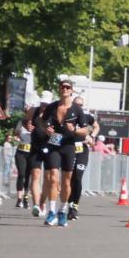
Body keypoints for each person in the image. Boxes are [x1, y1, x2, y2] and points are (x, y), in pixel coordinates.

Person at [36, 79, 86, 227]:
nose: (64, 89)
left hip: (68, 146)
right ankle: (51, 212)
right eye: (62, 87)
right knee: (52, 178)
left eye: (67, 87)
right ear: (59, 89)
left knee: (66, 181)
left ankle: (62, 211)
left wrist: (74, 130)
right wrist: (47, 130)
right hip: (53, 145)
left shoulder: (77, 109)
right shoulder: (52, 107)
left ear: (71, 90)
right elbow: (42, 121)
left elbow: (85, 130)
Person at [67, 94, 98, 220]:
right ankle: (68, 205)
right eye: (76, 104)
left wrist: (92, 136)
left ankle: (75, 206)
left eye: (80, 105)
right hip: (69, 149)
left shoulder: (86, 116)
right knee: (69, 179)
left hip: (82, 150)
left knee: (78, 178)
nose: (78, 107)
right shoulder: (67, 114)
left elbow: (96, 126)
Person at [28, 91, 53, 217]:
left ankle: (42, 201)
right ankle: (36, 205)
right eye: (43, 103)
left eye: (47, 104)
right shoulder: (34, 111)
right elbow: (25, 121)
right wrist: (28, 126)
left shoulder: (54, 114)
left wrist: (52, 134)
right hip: (35, 147)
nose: (44, 106)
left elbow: (60, 136)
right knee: (36, 175)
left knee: (48, 179)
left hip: (50, 149)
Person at [13, 111, 33, 208]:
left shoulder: (36, 122)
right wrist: (16, 137)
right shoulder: (21, 122)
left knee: (28, 175)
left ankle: (26, 197)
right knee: (21, 174)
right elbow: (16, 133)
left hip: (31, 153)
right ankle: (19, 199)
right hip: (21, 152)